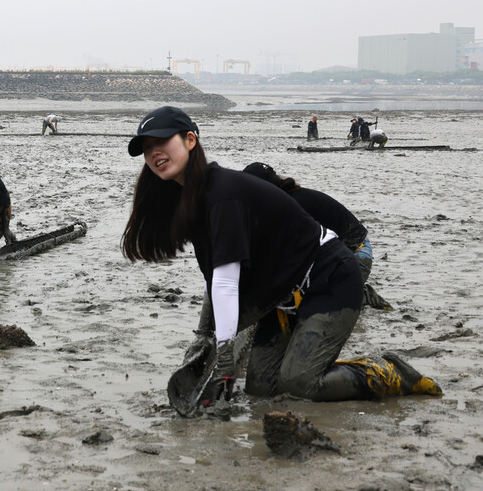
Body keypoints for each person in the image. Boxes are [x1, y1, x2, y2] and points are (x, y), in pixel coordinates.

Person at [122, 106, 440, 406]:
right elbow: (214, 279)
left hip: (330, 281)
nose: (154, 153)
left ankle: (389, 372)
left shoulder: (223, 194)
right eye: (146, 148)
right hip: (282, 296)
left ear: (190, 140)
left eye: (161, 141)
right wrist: (205, 338)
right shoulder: (194, 202)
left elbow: (225, 282)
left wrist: (224, 347)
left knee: (300, 385)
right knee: (262, 389)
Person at [242, 162, 391, 310]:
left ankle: (361, 294)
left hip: (357, 253)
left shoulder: (293, 204)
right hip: (337, 254)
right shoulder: (285, 200)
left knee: (319, 304)